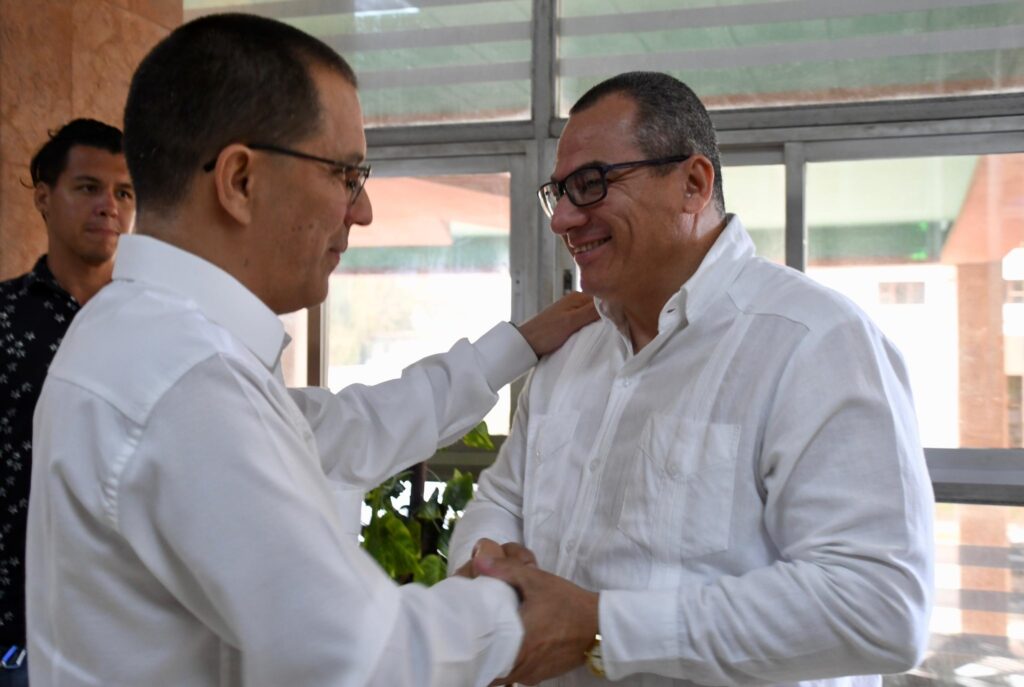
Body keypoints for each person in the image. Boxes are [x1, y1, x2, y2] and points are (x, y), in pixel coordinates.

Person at [24, 13, 596, 687]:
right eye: (345, 174)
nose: (363, 211)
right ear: (240, 181)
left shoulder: (140, 333)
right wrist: (519, 610)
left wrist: (518, 345)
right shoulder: (185, 376)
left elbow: (342, 429)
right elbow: (359, 657)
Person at [449, 71, 935, 687]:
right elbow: (503, 500)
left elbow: (879, 606)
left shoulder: (814, 343)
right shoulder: (572, 350)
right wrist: (491, 577)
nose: (562, 219)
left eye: (591, 184)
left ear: (693, 184)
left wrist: (605, 627)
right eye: (559, 193)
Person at [0, 118, 135, 687]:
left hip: (132, 623)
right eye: (88, 187)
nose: (109, 206)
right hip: (17, 623)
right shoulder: (5, 318)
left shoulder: (155, 323)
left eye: (124, 193)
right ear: (44, 198)